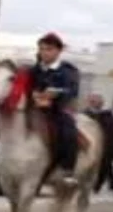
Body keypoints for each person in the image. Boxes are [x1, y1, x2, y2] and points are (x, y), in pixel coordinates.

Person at [29, 32, 81, 187]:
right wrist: (33, 93)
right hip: (34, 107)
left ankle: (67, 169)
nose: (44, 53)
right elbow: (28, 86)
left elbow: (72, 91)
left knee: (68, 130)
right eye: (42, 49)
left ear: (58, 51)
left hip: (57, 109)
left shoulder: (68, 70)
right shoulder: (34, 69)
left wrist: (56, 93)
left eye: (49, 49)